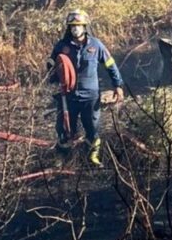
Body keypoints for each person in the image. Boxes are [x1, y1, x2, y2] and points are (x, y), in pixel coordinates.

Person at [49, 9, 125, 166]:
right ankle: (62, 158)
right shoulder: (62, 46)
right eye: (72, 26)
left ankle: (92, 157)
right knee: (64, 129)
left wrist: (118, 85)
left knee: (92, 128)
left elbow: (110, 65)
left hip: (90, 96)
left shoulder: (96, 45)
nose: (75, 29)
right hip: (68, 96)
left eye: (78, 25)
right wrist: (54, 73)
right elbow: (51, 66)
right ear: (68, 28)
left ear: (85, 27)